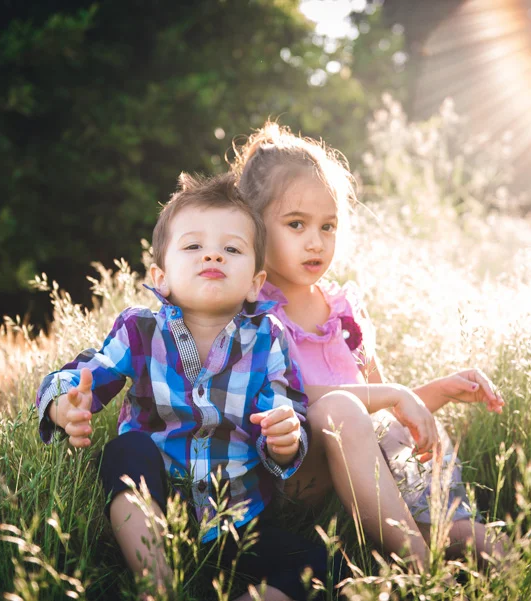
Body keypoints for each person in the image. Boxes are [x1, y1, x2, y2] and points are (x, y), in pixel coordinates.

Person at [34, 172, 344, 601]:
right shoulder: (139, 330)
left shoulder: (268, 338)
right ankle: (157, 581)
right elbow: (89, 371)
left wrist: (285, 438)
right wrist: (64, 404)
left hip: (238, 521)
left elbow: (286, 409)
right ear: (161, 276)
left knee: (324, 565)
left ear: (256, 282)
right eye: (194, 246)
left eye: (231, 249)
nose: (213, 256)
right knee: (126, 452)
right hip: (157, 504)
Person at [231, 120, 509, 569]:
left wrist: (437, 391)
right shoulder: (251, 312)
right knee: (338, 409)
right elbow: (294, 396)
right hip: (291, 479)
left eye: (328, 226)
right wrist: (395, 394)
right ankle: (422, 572)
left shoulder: (343, 311)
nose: (315, 241)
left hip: (365, 475)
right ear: (254, 227)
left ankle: (526, 578)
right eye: (296, 224)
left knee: (473, 536)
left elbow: (379, 415)